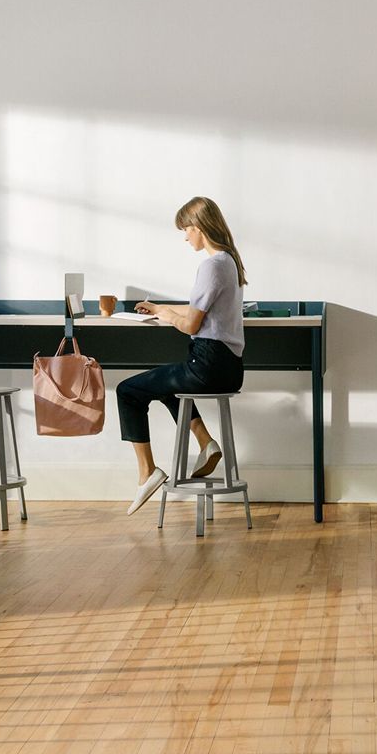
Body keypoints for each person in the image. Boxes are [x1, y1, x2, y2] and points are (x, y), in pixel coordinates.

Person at [117, 196, 249, 515]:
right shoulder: (229, 262)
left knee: (128, 391)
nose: (185, 236)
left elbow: (191, 322)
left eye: (186, 229)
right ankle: (206, 443)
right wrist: (162, 308)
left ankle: (148, 473)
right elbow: (199, 309)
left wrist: (168, 318)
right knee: (165, 386)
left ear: (199, 227)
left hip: (206, 364)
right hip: (229, 367)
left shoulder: (211, 265)